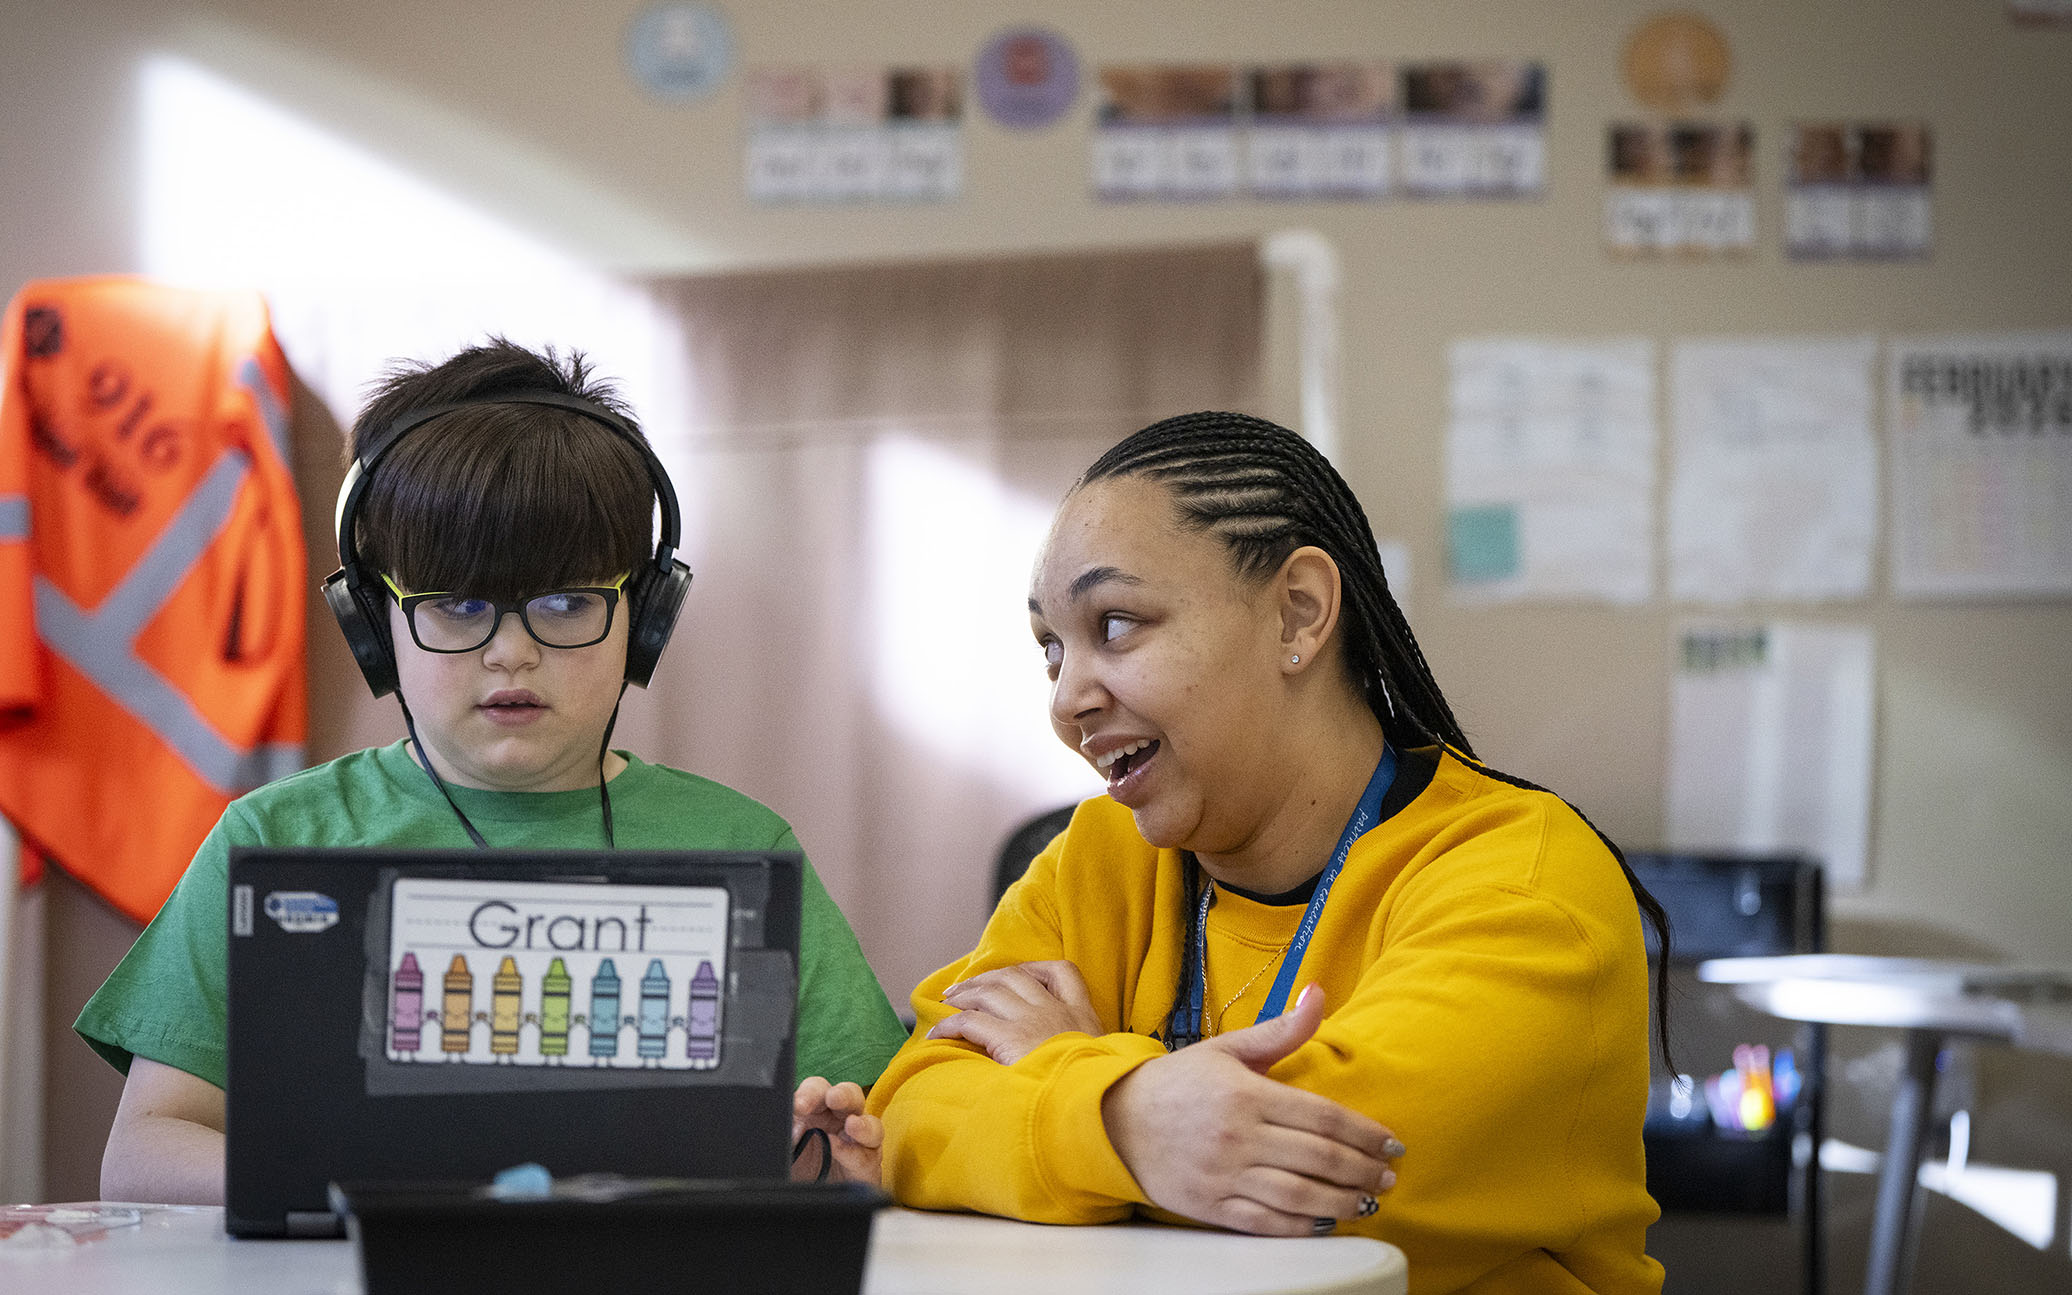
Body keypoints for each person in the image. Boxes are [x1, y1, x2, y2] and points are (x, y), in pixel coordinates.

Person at [843, 412, 1668, 1293]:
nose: (1068, 699)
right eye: (1052, 648)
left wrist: (1070, 1091)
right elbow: (914, 1103)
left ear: (1298, 613)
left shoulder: (1527, 880)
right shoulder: (1098, 858)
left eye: (1116, 624)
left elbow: (1315, 1151)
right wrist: (1132, 1119)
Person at [75, 340, 906, 1203]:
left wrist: (826, 1149)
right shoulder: (273, 841)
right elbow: (142, 1153)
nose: (512, 651)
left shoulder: (741, 844)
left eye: (567, 601)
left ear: (647, 615)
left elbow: (873, 1121)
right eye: (456, 604)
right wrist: (392, 1195)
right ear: (371, 621)